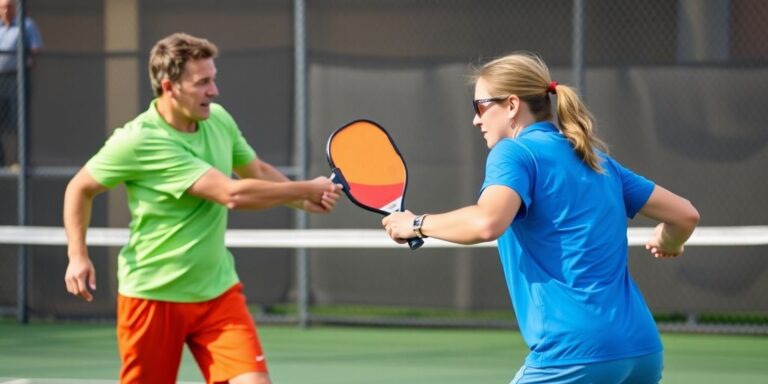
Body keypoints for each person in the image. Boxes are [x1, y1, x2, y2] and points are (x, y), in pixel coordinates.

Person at [382, 52, 700, 383]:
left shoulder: (513, 152)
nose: (476, 120)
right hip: (641, 352)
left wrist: (416, 224)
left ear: (512, 105)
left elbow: (487, 222)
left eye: (480, 107)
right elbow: (685, 215)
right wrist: (669, 240)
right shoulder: (597, 160)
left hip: (572, 355)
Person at [63, 33, 341, 384]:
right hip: (152, 296)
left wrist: (300, 199)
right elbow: (231, 194)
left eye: (214, 78)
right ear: (170, 87)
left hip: (217, 293)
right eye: (203, 82)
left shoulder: (218, 119)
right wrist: (77, 254)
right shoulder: (141, 141)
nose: (215, 91)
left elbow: (255, 171)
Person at [0, 0, 42, 167]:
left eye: (9, 7)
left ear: (15, 7)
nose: (5, 10)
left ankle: (21, 161)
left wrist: (27, 59)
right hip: (0, 80)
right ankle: (1, 161)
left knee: (20, 122)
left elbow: (36, 48)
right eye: (2, 7)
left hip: (17, 80)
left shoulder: (26, 24)